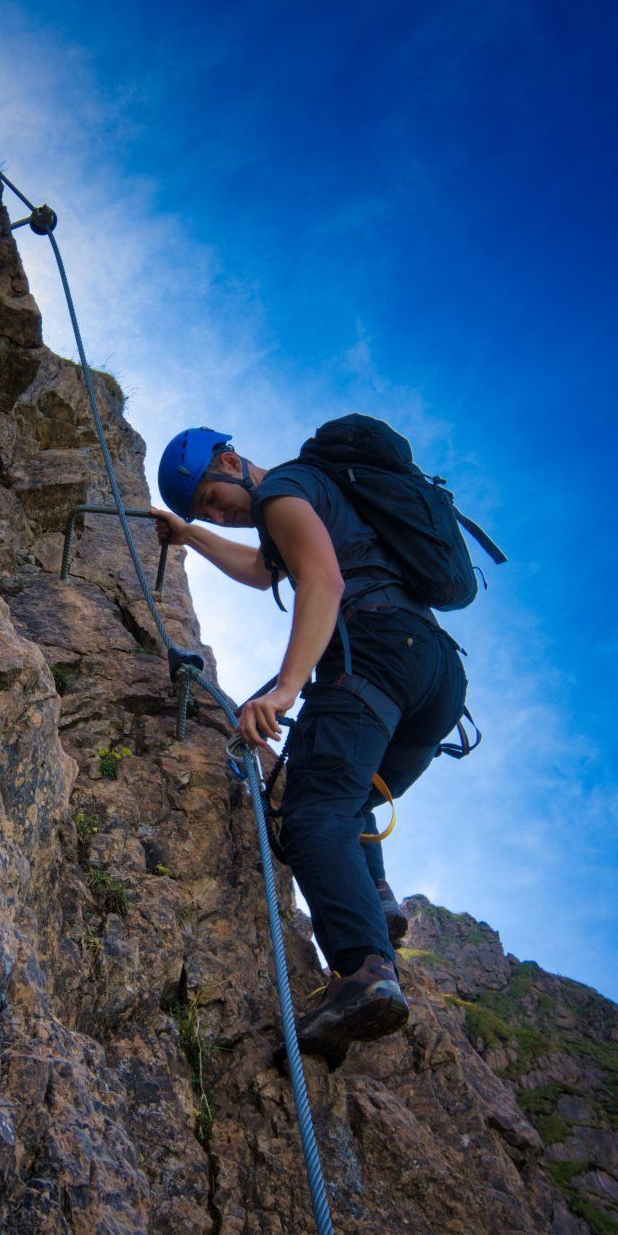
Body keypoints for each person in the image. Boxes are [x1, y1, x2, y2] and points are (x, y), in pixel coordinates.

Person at [152, 426, 469, 1069]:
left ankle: (362, 970)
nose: (218, 514)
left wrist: (287, 688)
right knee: (348, 798)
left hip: (374, 654)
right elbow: (262, 567)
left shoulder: (285, 491)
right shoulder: (309, 496)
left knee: (314, 811)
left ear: (233, 462)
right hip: (434, 676)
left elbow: (320, 579)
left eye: (211, 499)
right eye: (206, 512)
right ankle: (374, 900)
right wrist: (189, 535)